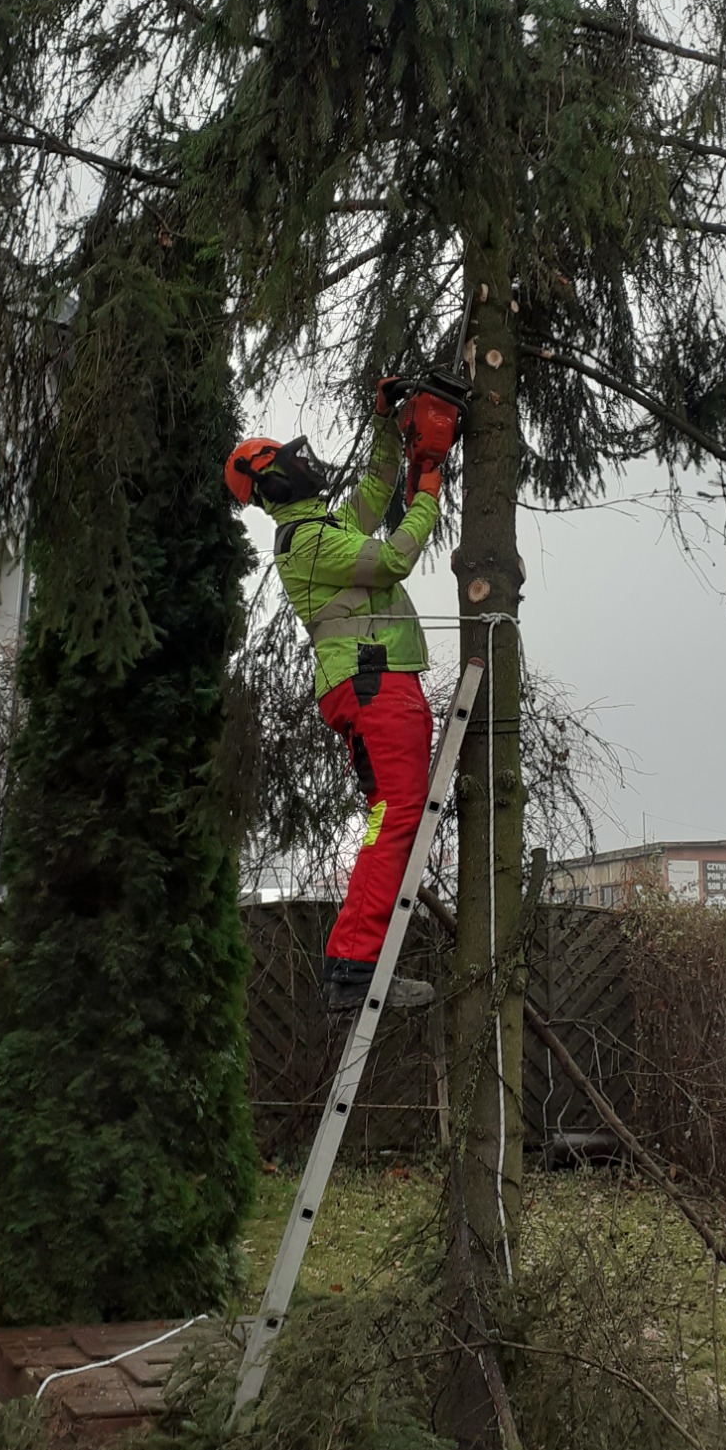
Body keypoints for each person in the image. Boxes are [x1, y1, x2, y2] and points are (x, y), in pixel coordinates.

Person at [225, 382, 442, 1014]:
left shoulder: (323, 526)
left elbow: (375, 490)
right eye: (282, 460)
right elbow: (395, 557)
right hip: (375, 689)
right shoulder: (312, 542)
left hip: (377, 689)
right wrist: (427, 493)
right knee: (395, 817)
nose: (301, 460)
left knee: (386, 816)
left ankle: (353, 959)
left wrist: (385, 424)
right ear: (272, 486)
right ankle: (353, 966)